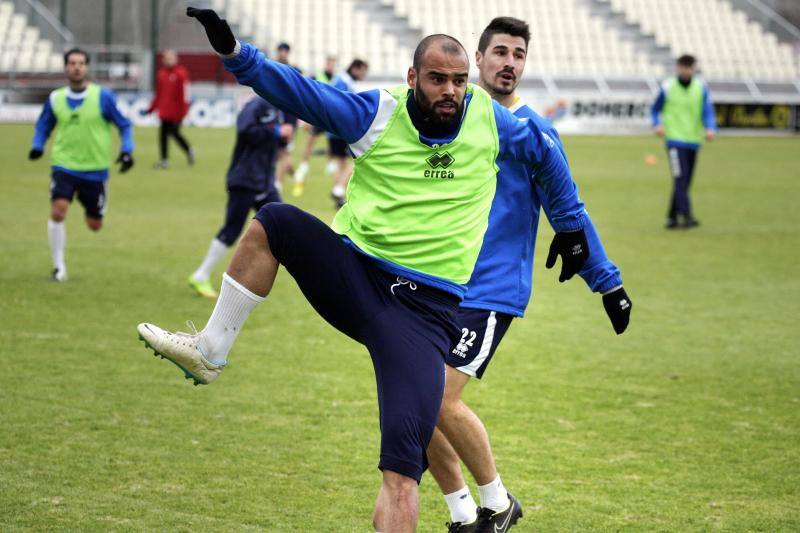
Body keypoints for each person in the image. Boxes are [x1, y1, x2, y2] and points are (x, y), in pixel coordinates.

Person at [139, 8, 591, 531]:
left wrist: (571, 226)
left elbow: (546, 153)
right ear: (412, 78)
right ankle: (210, 351)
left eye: (460, 81)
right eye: (438, 79)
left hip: (424, 316)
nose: (451, 91)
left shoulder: (491, 121)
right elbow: (300, 93)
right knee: (275, 223)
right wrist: (237, 55)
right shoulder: (376, 113)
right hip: (356, 276)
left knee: (401, 475)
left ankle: (476, 503)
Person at [423, 18, 632, 533]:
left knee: (436, 396)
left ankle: (498, 502)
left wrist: (607, 283)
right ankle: (463, 515)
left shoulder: (537, 134)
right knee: (414, 401)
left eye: (518, 54)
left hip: (491, 290)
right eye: (500, 52)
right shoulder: (453, 117)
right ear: (478, 58)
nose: (509, 62)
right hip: (434, 281)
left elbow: (569, 211)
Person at [29, 47, 134, 282]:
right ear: (66, 67)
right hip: (63, 165)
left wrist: (127, 151)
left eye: (80, 63)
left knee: (94, 224)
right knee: (58, 210)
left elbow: (124, 125)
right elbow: (43, 125)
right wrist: (38, 145)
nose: (76, 67)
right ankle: (59, 268)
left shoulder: (102, 96)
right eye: (72, 63)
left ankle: (95, 210)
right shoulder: (55, 98)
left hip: (95, 170)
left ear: (86, 68)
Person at [188, 95, 294, 298]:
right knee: (232, 229)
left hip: (264, 181)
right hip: (244, 178)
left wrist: (283, 146)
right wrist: (277, 132)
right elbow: (245, 130)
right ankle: (201, 275)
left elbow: (273, 141)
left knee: (283, 225)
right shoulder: (256, 104)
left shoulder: (279, 107)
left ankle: (307, 280)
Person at [651, 54, 716, 229]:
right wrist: (657, 124)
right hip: (674, 140)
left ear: (693, 68)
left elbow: (708, 111)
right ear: (678, 68)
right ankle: (687, 215)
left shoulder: (700, 87)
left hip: (694, 140)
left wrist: (710, 128)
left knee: (685, 181)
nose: (686, 70)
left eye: (689, 67)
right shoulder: (668, 86)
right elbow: (654, 109)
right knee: (680, 179)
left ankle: (671, 218)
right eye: (683, 67)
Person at [292, 54, 338, 197]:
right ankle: (304, 164)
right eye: (330, 63)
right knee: (310, 141)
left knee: (331, 142)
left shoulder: (336, 78)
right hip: (318, 115)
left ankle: (330, 164)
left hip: (330, 114)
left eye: (333, 63)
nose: (331, 66)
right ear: (326, 64)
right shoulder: (317, 75)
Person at [328, 58, 369, 208]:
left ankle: (337, 193)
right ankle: (338, 190)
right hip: (341, 129)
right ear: (356, 68)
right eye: (363, 71)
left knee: (342, 163)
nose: (364, 74)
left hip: (333, 130)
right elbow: (342, 105)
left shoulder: (341, 79)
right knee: (354, 162)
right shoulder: (345, 82)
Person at [144, 50, 194, 169]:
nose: (168, 60)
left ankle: (188, 150)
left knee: (174, 133)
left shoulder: (181, 74)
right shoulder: (161, 74)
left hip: (178, 112)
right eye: (166, 58)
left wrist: (184, 111)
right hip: (165, 112)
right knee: (162, 135)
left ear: (176, 59)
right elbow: (158, 94)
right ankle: (164, 160)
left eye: (171, 58)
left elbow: (186, 94)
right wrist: (151, 108)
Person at [272, 42, 300, 192]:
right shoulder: (271, 68)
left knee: (283, 151)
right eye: (280, 50)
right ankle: (295, 175)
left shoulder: (294, 70)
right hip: (275, 115)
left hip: (289, 117)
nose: (282, 53)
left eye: (285, 51)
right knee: (280, 153)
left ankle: (277, 184)